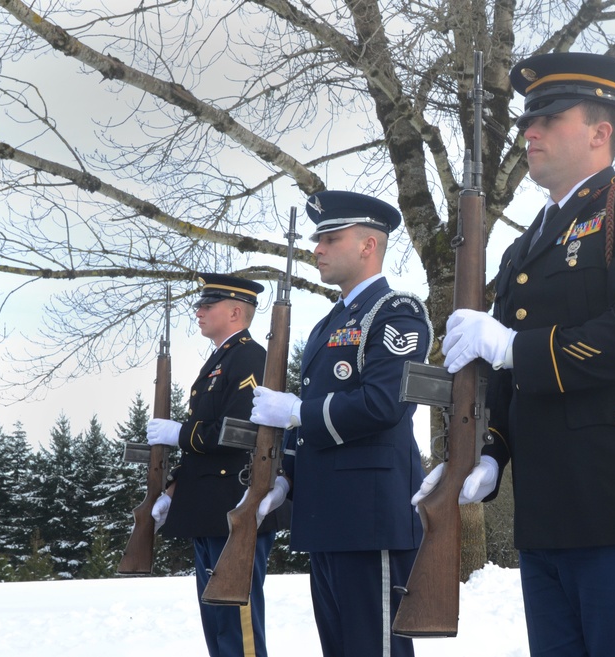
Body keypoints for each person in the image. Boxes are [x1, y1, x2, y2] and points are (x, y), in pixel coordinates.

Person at [422, 52, 615, 656]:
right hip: (550, 517)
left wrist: (512, 345)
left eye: (550, 119)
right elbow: (505, 381)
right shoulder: (526, 244)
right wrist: (490, 453)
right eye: (530, 118)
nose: (530, 131)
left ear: (599, 132)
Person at [249, 190, 431, 657]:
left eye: (330, 237)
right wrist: (286, 477)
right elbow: (315, 409)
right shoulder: (330, 322)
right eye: (317, 239)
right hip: (328, 515)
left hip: (372, 517)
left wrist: (295, 412)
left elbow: (383, 404)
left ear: (368, 245)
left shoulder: (397, 312)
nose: (318, 249)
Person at [146, 273, 290, 657]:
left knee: (236, 621)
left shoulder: (249, 357)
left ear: (236, 311)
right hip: (209, 505)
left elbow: (235, 433)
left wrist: (178, 433)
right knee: (216, 621)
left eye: (207, 306)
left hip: (234, 503)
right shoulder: (221, 359)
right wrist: (174, 487)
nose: (199, 312)